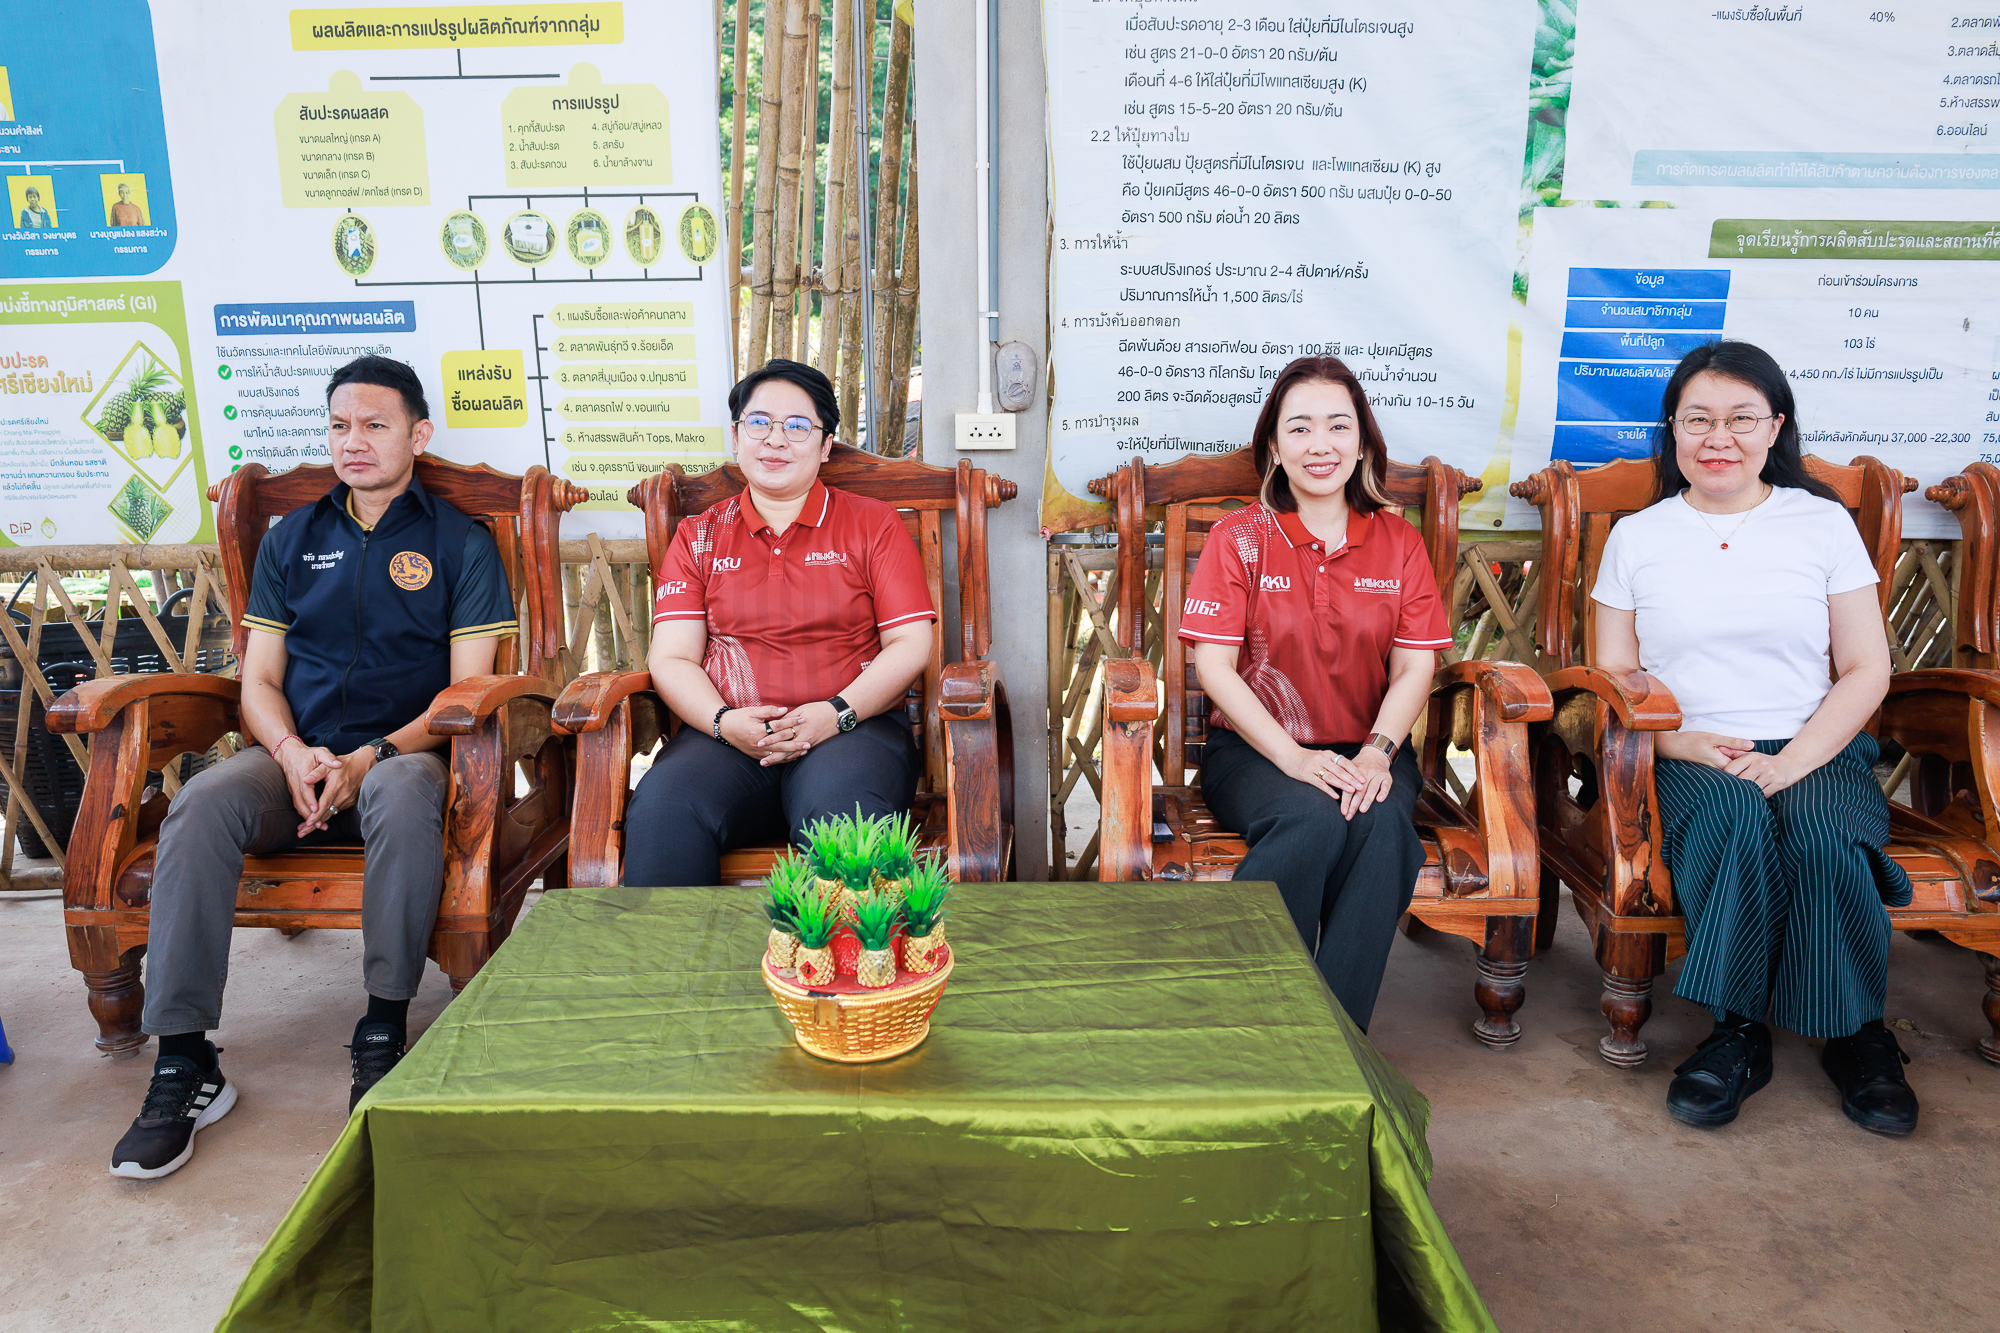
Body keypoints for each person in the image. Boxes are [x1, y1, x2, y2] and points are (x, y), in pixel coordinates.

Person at [109, 357, 521, 1179]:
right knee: (202, 802)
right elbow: (259, 682)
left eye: (374, 424)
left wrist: (372, 755)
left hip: (406, 755)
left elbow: (465, 692)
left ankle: (382, 1023)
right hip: (296, 757)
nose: (353, 441)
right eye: (339, 425)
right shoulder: (292, 538)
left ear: (418, 434)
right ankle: (186, 1059)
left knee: (398, 792)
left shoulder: (460, 543)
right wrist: (293, 753)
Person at [1591, 339, 1918, 1135]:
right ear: (1672, 430)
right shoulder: (1639, 536)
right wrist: (1679, 744)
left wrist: (1796, 759)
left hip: (1815, 743)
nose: (1719, 438)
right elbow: (1616, 677)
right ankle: (1738, 1031)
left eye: (1741, 419)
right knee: (1733, 820)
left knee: (1824, 834)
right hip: (1690, 751)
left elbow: (1867, 668)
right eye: (1697, 419)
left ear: (1775, 427)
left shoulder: (1821, 524)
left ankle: (1856, 1033)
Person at [1178, 356, 1452, 1030]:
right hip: (1254, 752)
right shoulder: (1239, 538)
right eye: (1299, 428)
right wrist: (1295, 759)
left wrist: (1377, 753)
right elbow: (1214, 668)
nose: (1319, 444)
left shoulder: (1399, 542)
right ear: (1274, 446)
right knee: (1312, 818)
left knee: (1383, 827)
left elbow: (1415, 667)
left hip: (1370, 748)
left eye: (1338, 425)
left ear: (1362, 443)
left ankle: (1327, 1038)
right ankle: (1254, 1015)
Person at [622, 358, 935, 886]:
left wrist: (836, 714)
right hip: (729, 737)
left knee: (846, 825)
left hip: (852, 732)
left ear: (826, 444)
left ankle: (845, 947)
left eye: (797, 426)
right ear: (736, 436)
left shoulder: (872, 524)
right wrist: (724, 723)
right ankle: (679, 947)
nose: (775, 439)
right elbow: (671, 657)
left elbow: (909, 643)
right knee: (664, 809)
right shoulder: (700, 536)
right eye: (759, 422)